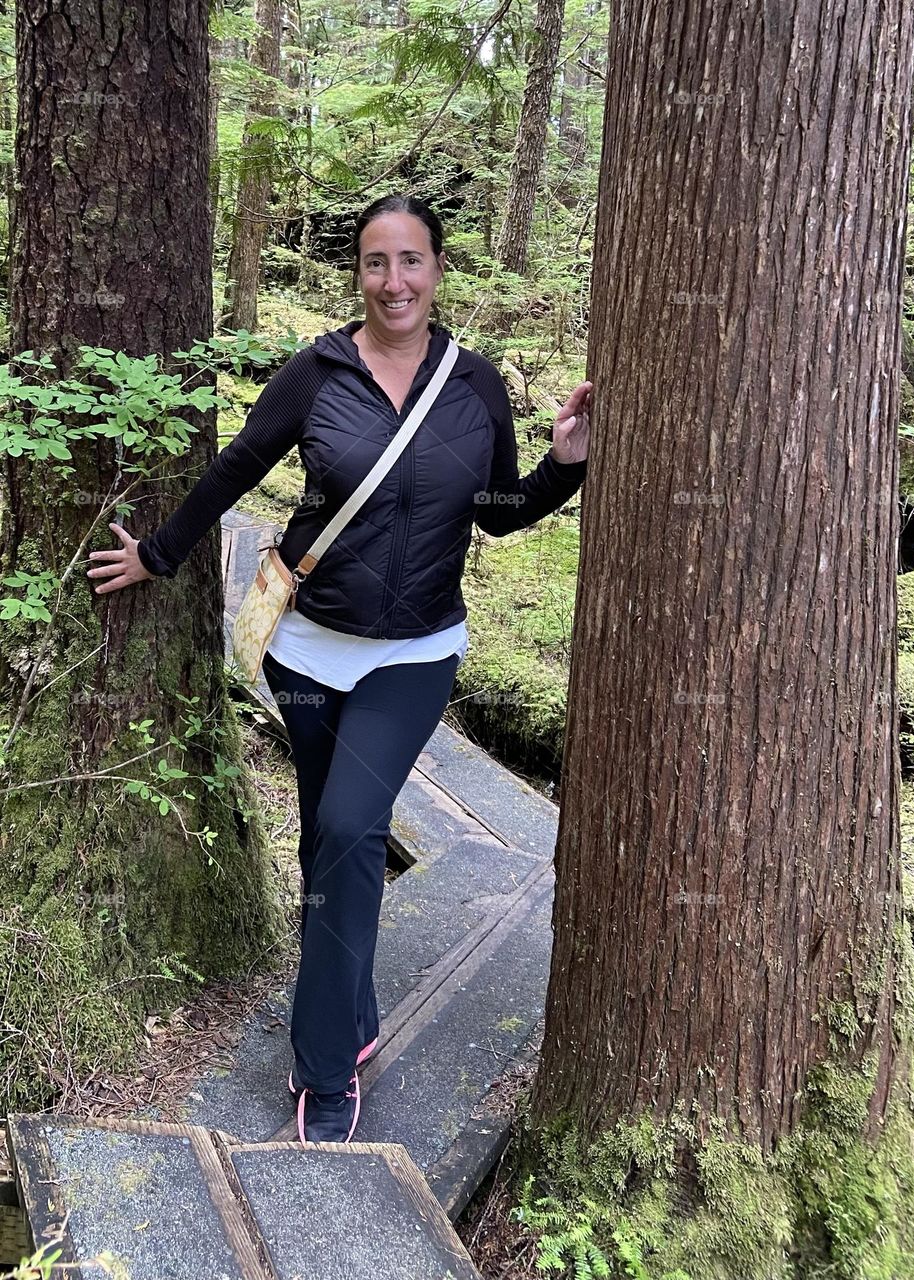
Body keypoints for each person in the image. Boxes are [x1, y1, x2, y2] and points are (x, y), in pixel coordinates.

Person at [86, 193, 592, 1145]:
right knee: (330, 844)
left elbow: (496, 511)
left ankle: (321, 1074)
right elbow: (236, 467)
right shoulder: (317, 374)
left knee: (353, 830)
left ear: (438, 270)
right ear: (356, 274)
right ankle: (350, 1015)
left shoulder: (475, 385)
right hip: (308, 651)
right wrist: (158, 553)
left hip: (415, 654)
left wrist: (565, 466)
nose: (393, 281)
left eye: (410, 262)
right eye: (374, 263)